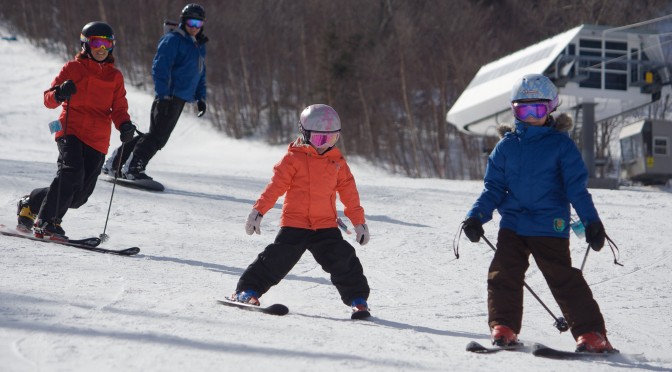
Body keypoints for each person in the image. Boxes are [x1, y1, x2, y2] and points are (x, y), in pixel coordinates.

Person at [461, 74, 615, 353]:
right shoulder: (506, 147)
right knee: (502, 273)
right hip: (514, 225)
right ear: (514, 110)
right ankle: (504, 327)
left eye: (538, 110)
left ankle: (592, 333)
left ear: (551, 109)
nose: (531, 116)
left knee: (562, 277)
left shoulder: (561, 146)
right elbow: (493, 189)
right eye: (524, 110)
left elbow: (577, 190)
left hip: (549, 225)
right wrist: (476, 216)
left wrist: (592, 223)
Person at [230, 104, 372, 317]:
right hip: (295, 223)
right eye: (319, 139)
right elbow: (275, 187)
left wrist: (359, 222)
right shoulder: (293, 158)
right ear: (305, 135)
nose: (325, 145)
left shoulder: (337, 162)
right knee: (275, 260)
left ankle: (358, 300)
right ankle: (246, 291)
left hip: (325, 225)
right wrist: (258, 211)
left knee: (343, 260)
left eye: (332, 139)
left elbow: (350, 194)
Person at [16, 21, 136, 239]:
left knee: (79, 196)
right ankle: (47, 222)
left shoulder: (115, 77)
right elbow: (48, 99)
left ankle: (31, 202)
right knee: (71, 173)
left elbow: (119, 108)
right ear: (85, 45)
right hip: (70, 129)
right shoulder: (73, 68)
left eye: (106, 44)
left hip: (98, 139)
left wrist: (125, 125)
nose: (101, 49)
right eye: (96, 43)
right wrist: (60, 93)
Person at [102, 3, 208, 180]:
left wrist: (200, 98)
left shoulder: (197, 45)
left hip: (180, 97)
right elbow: (160, 68)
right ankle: (133, 167)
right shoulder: (173, 40)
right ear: (183, 21)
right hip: (169, 96)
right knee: (158, 137)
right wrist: (163, 95)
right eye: (191, 23)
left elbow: (200, 73)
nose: (194, 28)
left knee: (155, 135)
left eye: (198, 24)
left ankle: (116, 163)